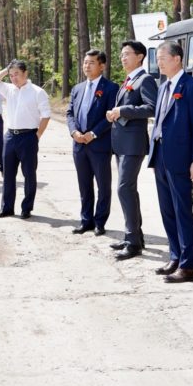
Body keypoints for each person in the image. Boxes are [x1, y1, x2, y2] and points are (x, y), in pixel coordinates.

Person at [147, 41, 193, 283]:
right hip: (161, 155)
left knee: (182, 211)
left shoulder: (192, 87)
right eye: (158, 59)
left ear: (177, 59)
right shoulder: (163, 86)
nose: (159, 63)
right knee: (167, 210)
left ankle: (188, 265)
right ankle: (175, 256)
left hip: (181, 158)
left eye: (163, 58)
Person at [105, 41, 158, 260]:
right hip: (121, 143)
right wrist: (115, 113)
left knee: (124, 189)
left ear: (140, 56)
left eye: (127, 54)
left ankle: (133, 241)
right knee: (128, 190)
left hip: (133, 144)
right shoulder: (128, 80)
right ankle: (135, 236)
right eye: (121, 54)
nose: (123, 58)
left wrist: (123, 110)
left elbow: (152, 108)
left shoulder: (145, 79)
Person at [0, 59, 51, 219]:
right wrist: (7, 68)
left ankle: (26, 208)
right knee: (8, 174)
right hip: (10, 136)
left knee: (29, 174)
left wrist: (38, 135)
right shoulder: (9, 89)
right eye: (11, 75)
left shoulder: (37, 92)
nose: (13, 78)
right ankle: (6, 208)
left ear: (25, 73)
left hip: (28, 136)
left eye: (16, 74)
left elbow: (46, 115)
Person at [67, 50, 119, 236]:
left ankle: (100, 222)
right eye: (85, 62)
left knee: (103, 186)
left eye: (91, 63)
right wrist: (74, 132)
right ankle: (86, 220)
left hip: (99, 145)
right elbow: (70, 113)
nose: (86, 66)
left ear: (102, 66)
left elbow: (110, 116)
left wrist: (93, 133)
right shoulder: (77, 88)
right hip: (79, 145)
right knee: (84, 185)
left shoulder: (111, 88)